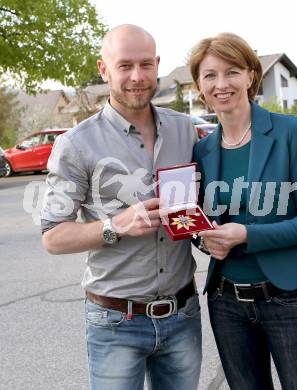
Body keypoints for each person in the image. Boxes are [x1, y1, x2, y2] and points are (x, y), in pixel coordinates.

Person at [41, 24, 201, 390]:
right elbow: (53, 237)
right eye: (124, 65)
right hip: (115, 321)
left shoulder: (184, 130)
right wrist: (116, 225)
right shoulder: (75, 144)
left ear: (157, 64)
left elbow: (198, 207)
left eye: (146, 65)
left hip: (183, 315)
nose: (137, 77)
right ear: (103, 69)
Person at [190, 32, 297, 390]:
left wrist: (248, 235)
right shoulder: (202, 151)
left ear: (251, 75)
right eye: (210, 75)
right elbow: (199, 226)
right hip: (226, 302)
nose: (221, 84)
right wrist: (207, 242)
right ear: (199, 86)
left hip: (287, 297)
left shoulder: (287, 131)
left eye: (232, 71)